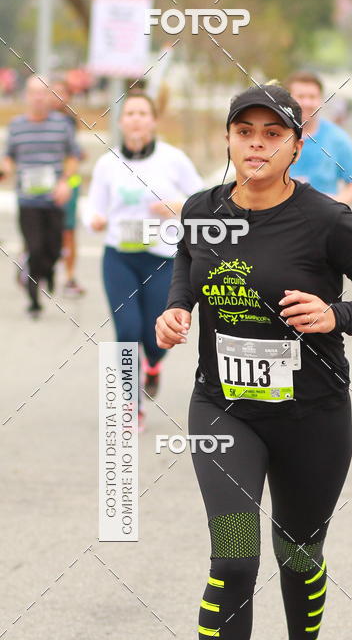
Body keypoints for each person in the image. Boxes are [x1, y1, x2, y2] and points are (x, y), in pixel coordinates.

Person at [156, 82, 352, 640]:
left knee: (299, 555)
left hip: (313, 416)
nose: (258, 144)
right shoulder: (203, 210)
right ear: (229, 140)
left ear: (297, 145)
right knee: (233, 556)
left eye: (274, 133)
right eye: (246, 131)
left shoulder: (330, 220)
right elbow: (188, 268)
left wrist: (336, 316)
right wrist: (176, 313)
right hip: (224, 410)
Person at [86, 92, 204, 427]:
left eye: (143, 113)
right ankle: (130, 404)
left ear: (153, 121)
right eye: (130, 113)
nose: (136, 119)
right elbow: (93, 207)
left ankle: (153, 364)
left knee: (155, 338)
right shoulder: (107, 163)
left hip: (162, 258)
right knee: (126, 330)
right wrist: (94, 220)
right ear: (122, 122)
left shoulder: (172, 158)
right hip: (119, 257)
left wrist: (175, 206)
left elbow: (201, 199)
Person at [1, 76, 79, 317]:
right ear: (26, 96)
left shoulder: (62, 125)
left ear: (49, 97)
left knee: (55, 249)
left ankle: (48, 270)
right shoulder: (16, 126)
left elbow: (73, 156)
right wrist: (5, 169)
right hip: (28, 201)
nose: (37, 97)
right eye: (33, 92)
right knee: (35, 247)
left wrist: (66, 182)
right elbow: (9, 157)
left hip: (54, 199)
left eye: (42, 92)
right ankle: (33, 300)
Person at [286, 71, 352, 204]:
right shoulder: (273, 137)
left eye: (312, 97)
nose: (306, 103)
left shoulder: (337, 138)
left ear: (321, 100)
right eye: (300, 96)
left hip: (323, 221)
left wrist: (336, 206)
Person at [50, 76, 85, 297]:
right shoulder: (37, 119)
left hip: (69, 180)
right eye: (53, 92)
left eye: (62, 92)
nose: (57, 97)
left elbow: (74, 152)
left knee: (68, 231)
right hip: (44, 182)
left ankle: (69, 276)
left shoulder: (70, 121)